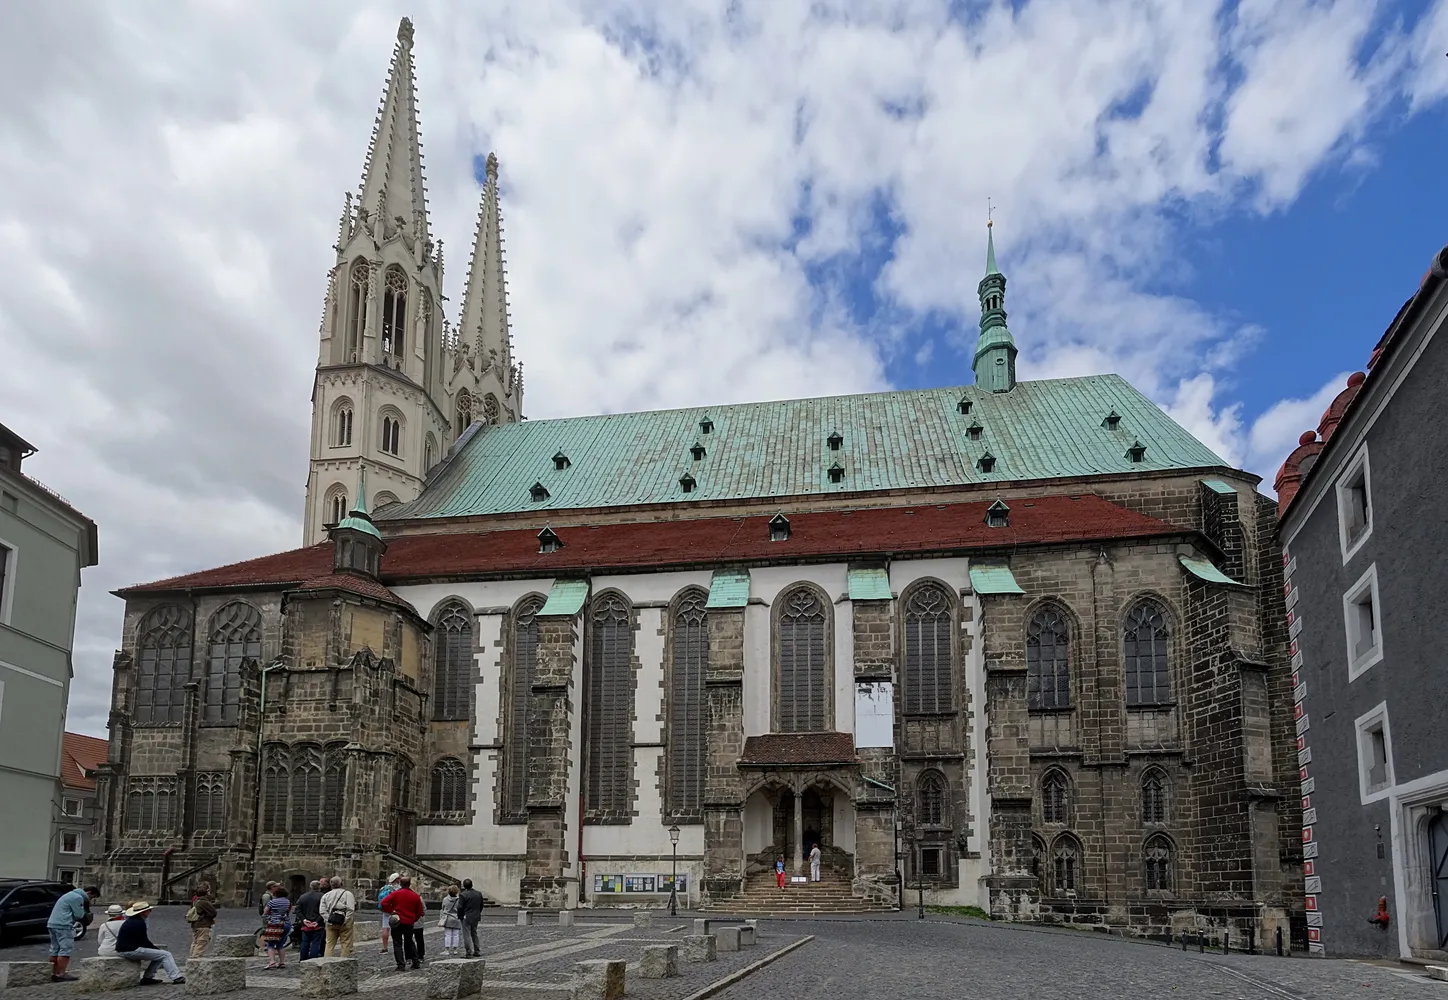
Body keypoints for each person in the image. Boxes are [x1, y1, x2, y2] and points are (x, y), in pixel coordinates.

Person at [115, 902, 185, 985]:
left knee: (159, 955)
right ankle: (176, 977)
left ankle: (148, 977)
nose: (150, 911)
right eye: (149, 910)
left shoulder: (132, 921)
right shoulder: (139, 923)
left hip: (124, 948)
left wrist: (155, 950)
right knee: (166, 955)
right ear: (143, 912)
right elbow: (143, 941)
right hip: (131, 950)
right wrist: (155, 949)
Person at [46, 884, 99, 981]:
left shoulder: (69, 894)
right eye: (92, 897)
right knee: (65, 949)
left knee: (55, 949)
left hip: (52, 923)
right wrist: (85, 908)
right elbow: (79, 915)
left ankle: (53, 972)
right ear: (89, 893)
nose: (90, 900)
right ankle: (61, 974)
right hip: (63, 925)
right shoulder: (77, 897)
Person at [379, 876, 425, 971]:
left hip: (398, 921)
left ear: (400, 883)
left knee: (397, 943)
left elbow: (384, 902)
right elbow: (419, 912)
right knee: (410, 942)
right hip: (409, 922)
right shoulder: (415, 896)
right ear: (409, 884)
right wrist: (414, 918)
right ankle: (415, 962)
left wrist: (391, 911)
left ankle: (401, 964)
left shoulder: (396, 894)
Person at [319, 876, 357, 958]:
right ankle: (344, 960)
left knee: (329, 944)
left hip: (330, 922)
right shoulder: (348, 894)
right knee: (346, 943)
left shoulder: (326, 895)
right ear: (341, 883)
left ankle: (327, 961)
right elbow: (350, 909)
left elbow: (322, 911)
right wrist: (345, 920)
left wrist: (328, 919)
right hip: (344, 922)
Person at [294, 880, 326, 961]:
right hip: (318, 924)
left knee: (305, 942)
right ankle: (313, 959)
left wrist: (304, 920)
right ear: (319, 887)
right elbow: (324, 910)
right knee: (316, 942)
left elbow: (297, 909)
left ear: (310, 887)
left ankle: (303, 958)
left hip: (306, 924)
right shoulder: (323, 896)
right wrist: (317, 921)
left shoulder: (303, 896)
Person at [187, 882, 219, 959]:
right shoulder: (204, 902)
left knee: (195, 943)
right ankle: (195, 961)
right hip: (203, 925)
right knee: (201, 943)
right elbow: (213, 913)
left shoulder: (196, 900)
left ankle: (191, 958)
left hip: (195, 925)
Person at [262, 886, 292, 968]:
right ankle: (282, 962)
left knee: (271, 944)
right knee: (281, 944)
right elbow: (288, 911)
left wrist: (269, 917)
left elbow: (265, 912)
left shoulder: (272, 902)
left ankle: (272, 961)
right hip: (286, 924)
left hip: (274, 924)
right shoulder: (288, 902)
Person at [457, 879, 485, 958]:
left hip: (466, 916)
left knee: (467, 934)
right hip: (475, 915)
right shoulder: (478, 894)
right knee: (474, 933)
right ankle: (477, 950)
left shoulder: (463, 895)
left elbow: (460, 907)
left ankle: (469, 951)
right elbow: (481, 905)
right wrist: (478, 912)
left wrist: (460, 916)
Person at [376, 873, 400, 954]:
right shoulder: (398, 888)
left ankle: (385, 948)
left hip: (386, 910)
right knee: (397, 930)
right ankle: (397, 947)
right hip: (395, 911)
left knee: (385, 928)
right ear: (396, 879)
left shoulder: (384, 888)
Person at [438, 885, 461, 957]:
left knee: (447, 935)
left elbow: (443, 908)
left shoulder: (445, 899)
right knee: (456, 935)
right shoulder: (459, 900)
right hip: (456, 918)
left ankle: (447, 950)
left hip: (448, 918)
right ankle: (455, 950)